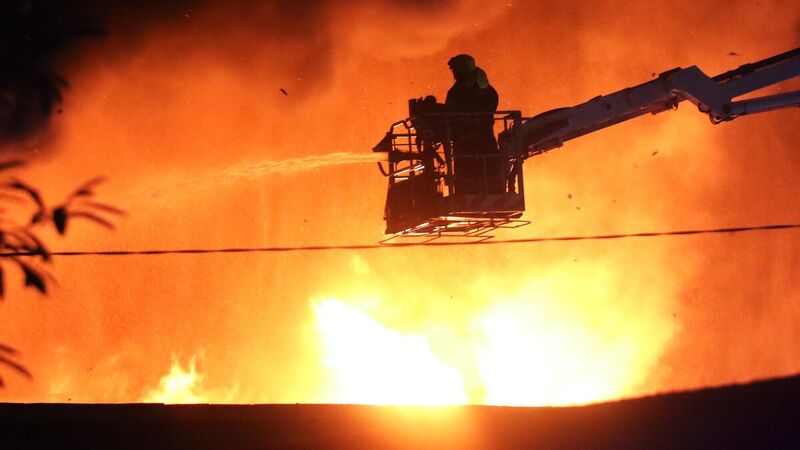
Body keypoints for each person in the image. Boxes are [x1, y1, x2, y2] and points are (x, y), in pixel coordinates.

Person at [444, 54, 501, 194]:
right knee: (489, 167)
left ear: (462, 69)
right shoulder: (488, 89)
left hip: (465, 141)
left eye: (455, 70)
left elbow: (452, 111)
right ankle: (495, 191)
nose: (454, 73)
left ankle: (466, 192)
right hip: (485, 138)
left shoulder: (458, 90)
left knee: (466, 170)